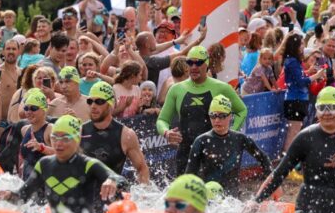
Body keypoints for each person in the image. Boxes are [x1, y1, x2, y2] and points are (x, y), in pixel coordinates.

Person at [240, 87, 335, 213]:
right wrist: (256, 201)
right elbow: (280, 173)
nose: (327, 113)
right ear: (316, 110)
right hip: (310, 208)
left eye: (332, 107)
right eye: (322, 108)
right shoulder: (305, 137)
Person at [0, 115, 123, 213]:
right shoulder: (44, 164)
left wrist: (112, 180)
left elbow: (122, 181)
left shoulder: (88, 164)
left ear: (77, 139)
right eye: (54, 137)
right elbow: (22, 197)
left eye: (65, 138)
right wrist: (8, 195)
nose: (58, 143)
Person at [156, 46, 247, 174]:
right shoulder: (176, 89)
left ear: (207, 64)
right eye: (190, 63)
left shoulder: (221, 87)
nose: (194, 67)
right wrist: (166, 132)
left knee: (215, 192)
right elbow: (162, 119)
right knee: (184, 193)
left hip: (215, 151)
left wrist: (230, 133)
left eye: (198, 63)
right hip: (186, 153)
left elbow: (241, 110)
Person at [184, 95, 271, 197]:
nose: (217, 120)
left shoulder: (240, 139)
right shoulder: (201, 141)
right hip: (208, 197)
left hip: (232, 201)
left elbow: (264, 158)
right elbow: (189, 175)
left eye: (222, 116)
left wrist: (271, 184)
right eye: (213, 115)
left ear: (230, 116)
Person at [80, 81, 149, 184]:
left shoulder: (126, 135)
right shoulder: (80, 131)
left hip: (112, 196)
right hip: (85, 197)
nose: (93, 106)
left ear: (110, 104)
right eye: (90, 101)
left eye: (99, 101)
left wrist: (143, 194)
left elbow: (142, 169)